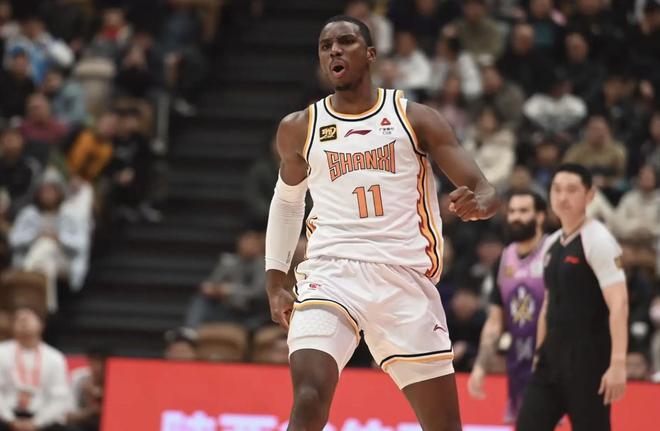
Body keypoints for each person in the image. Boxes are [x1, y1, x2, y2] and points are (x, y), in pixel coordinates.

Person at [265, 15, 499, 431]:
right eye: (325, 46)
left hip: (402, 277)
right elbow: (287, 203)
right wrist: (275, 282)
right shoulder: (300, 127)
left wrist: (480, 205)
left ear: (370, 53)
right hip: (330, 273)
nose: (334, 50)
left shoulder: (415, 118)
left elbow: (484, 188)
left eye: (346, 41)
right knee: (309, 396)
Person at [517, 164, 629, 431]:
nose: (562, 197)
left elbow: (619, 303)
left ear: (590, 195)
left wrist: (618, 363)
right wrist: (540, 351)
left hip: (589, 362)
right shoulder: (551, 243)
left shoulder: (599, 241)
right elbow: (548, 303)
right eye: (556, 190)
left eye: (571, 190)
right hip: (550, 360)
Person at [467, 191, 548, 424]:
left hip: (552, 365)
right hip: (518, 365)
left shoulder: (552, 252)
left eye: (523, 211)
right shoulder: (504, 260)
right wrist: (481, 365)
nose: (516, 217)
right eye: (512, 211)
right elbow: (495, 321)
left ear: (540, 216)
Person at [0, 306, 72, 430]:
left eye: (27, 318)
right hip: (7, 416)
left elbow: (59, 398)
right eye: (18, 319)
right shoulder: (2, 352)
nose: (23, 323)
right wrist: (10, 419)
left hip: (41, 417)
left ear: (41, 325)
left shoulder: (55, 358)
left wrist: (37, 423)